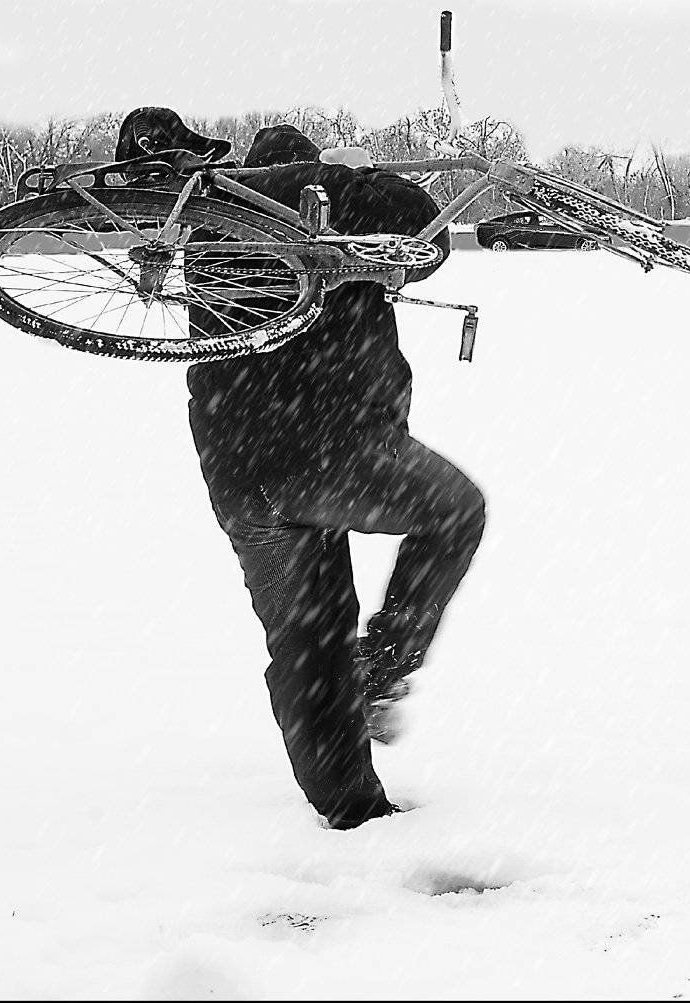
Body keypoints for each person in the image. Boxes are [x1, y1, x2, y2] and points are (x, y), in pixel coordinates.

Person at [115, 109, 486, 830]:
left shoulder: (213, 222)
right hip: (325, 452)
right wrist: (356, 174)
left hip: (240, 475)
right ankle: (382, 667)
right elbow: (423, 222)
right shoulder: (322, 193)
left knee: (308, 641)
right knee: (455, 511)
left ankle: (351, 810)